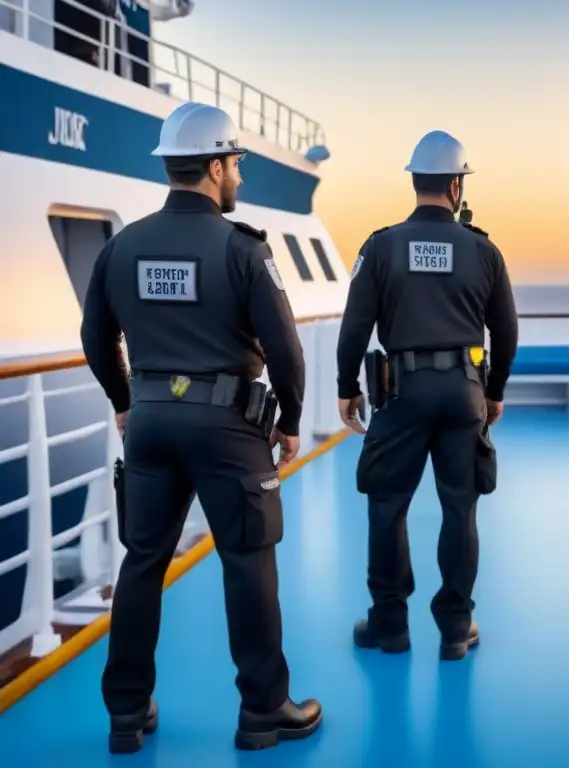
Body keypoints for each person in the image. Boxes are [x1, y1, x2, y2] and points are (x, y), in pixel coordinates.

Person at [80, 101, 322, 753]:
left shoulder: (123, 246)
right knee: (247, 560)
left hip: (152, 421)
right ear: (215, 167)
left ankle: (127, 712)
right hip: (227, 426)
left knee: (143, 561)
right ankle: (265, 711)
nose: (239, 173)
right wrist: (293, 419)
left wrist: (124, 401)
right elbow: (286, 349)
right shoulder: (241, 249)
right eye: (236, 162)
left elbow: (95, 337)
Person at [335, 129, 519, 661]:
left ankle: (390, 626)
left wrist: (347, 389)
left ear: (414, 182)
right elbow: (505, 333)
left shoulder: (381, 246)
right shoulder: (484, 250)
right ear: (457, 187)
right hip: (464, 393)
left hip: (402, 394)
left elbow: (354, 329)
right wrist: (494, 392)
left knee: (387, 507)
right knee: (460, 510)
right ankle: (456, 629)